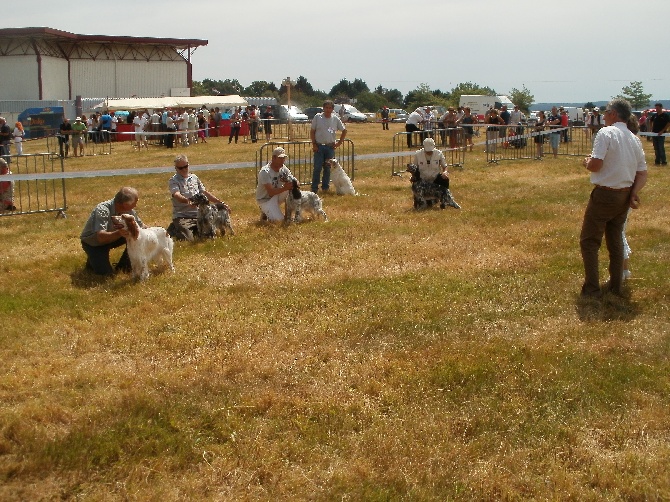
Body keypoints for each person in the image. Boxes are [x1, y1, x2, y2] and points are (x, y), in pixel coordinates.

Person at [579, 98, 647, 297]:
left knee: (589, 241)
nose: (604, 115)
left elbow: (596, 165)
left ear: (614, 114)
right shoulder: (634, 138)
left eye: (606, 111)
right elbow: (642, 173)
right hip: (624, 195)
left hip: (605, 194)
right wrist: (634, 193)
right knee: (615, 240)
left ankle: (591, 288)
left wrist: (586, 162)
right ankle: (616, 287)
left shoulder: (606, 133)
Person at [80, 186, 144, 275]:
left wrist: (158, 232)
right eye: (135, 202)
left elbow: (141, 228)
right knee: (106, 274)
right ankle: (93, 259)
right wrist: (119, 233)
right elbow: (101, 237)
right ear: (125, 204)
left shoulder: (129, 211)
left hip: (113, 238)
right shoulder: (102, 209)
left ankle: (124, 266)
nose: (136, 205)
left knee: (135, 237)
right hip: (94, 243)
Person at [168, 154, 229, 241]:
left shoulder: (194, 178)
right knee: (188, 239)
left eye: (185, 166)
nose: (184, 169)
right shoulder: (173, 181)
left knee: (207, 235)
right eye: (180, 168)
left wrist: (220, 203)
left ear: (188, 165)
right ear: (176, 168)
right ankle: (175, 227)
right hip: (183, 216)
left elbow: (205, 193)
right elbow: (177, 195)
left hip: (199, 215)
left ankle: (185, 228)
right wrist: (187, 201)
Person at [310, 100, 347, 193]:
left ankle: (325, 187)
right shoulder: (317, 117)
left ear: (332, 109)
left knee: (327, 168)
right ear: (323, 108)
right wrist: (314, 144)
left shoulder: (335, 119)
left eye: (330, 108)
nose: (328, 109)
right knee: (317, 168)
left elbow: (344, 130)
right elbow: (312, 131)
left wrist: (339, 143)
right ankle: (314, 188)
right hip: (319, 146)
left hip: (330, 147)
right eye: (326, 107)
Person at [256, 146, 295, 222]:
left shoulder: (283, 168)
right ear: (273, 158)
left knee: (292, 190)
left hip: (277, 195)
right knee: (278, 221)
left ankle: (288, 217)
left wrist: (293, 183)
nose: (283, 161)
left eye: (284, 158)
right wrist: (284, 188)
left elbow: (295, 181)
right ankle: (265, 211)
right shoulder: (265, 171)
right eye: (280, 158)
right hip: (265, 199)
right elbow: (270, 192)